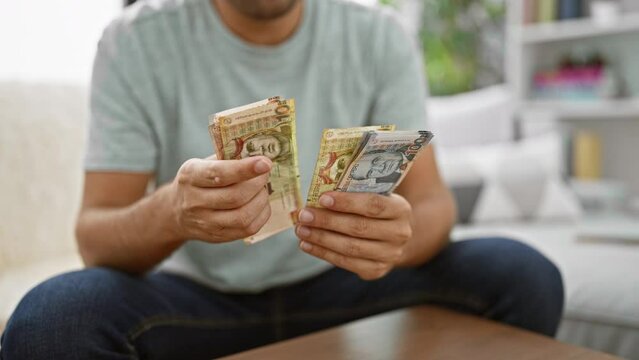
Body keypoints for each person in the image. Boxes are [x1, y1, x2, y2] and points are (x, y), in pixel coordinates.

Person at [0, 0, 564, 359]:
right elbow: (94, 237)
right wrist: (173, 209)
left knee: (523, 274)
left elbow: (432, 204)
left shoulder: (379, 33)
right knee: (51, 322)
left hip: (341, 285)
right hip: (194, 299)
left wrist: (398, 239)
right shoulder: (134, 39)